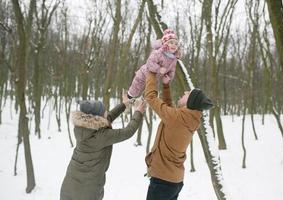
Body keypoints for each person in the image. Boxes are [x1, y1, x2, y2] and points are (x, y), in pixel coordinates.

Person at [60, 92, 146, 200]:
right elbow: (128, 131)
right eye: (104, 111)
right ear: (97, 117)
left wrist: (124, 105)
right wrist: (138, 112)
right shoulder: (101, 136)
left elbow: (107, 118)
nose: (106, 112)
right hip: (87, 192)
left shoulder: (83, 128)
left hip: (69, 186)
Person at [144, 71, 213, 200]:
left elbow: (151, 97)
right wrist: (165, 86)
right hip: (173, 181)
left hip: (162, 182)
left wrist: (151, 73)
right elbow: (169, 111)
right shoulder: (187, 119)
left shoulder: (177, 118)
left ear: (190, 102)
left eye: (188, 94)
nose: (184, 93)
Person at [127, 28, 181, 99]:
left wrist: (169, 78)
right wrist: (159, 69)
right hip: (144, 73)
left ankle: (144, 100)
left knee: (151, 91)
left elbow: (172, 70)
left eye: (176, 44)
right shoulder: (158, 52)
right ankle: (130, 96)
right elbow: (150, 63)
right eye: (171, 43)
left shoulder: (174, 59)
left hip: (156, 78)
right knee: (137, 84)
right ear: (165, 44)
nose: (174, 45)